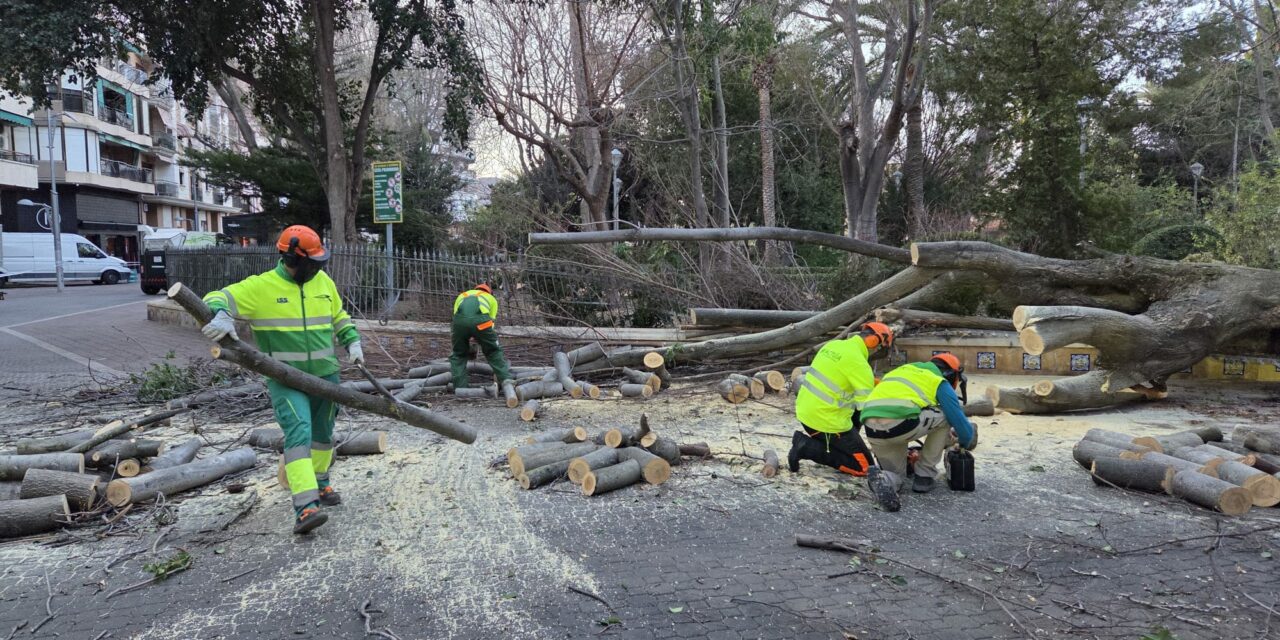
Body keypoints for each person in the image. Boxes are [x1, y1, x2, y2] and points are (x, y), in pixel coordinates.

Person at [199, 225, 362, 534]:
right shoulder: (262, 287)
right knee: (299, 433)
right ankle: (305, 507)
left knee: (324, 434)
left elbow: (339, 315)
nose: (317, 268)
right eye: (312, 262)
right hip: (285, 377)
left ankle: (322, 482)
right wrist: (220, 314)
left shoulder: (322, 281)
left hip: (326, 374)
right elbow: (217, 296)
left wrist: (352, 340)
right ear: (292, 257)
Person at [859, 352, 979, 512]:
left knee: (897, 477)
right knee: (945, 415)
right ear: (951, 375)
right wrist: (963, 444)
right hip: (901, 424)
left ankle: (885, 479)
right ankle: (924, 474)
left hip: (871, 427)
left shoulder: (901, 371)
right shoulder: (937, 380)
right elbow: (961, 425)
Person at [788, 322, 895, 477]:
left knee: (854, 415)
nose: (877, 351)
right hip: (824, 422)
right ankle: (805, 447)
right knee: (865, 467)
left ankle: (842, 445)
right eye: (880, 347)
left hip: (805, 412)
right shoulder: (859, 364)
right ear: (873, 341)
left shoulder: (833, 345)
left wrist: (873, 382)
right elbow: (867, 410)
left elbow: (839, 374)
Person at [450, 283, 513, 389]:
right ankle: (507, 382)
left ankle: (460, 388)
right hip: (482, 323)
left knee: (458, 354)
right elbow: (490, 322)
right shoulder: (491, 298)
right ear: (489, 292)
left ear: (475, 289)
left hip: (458, 324)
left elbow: (459, 317)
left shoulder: (462, 295)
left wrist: (469, 334)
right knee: (494, 351)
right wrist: (481, 338)